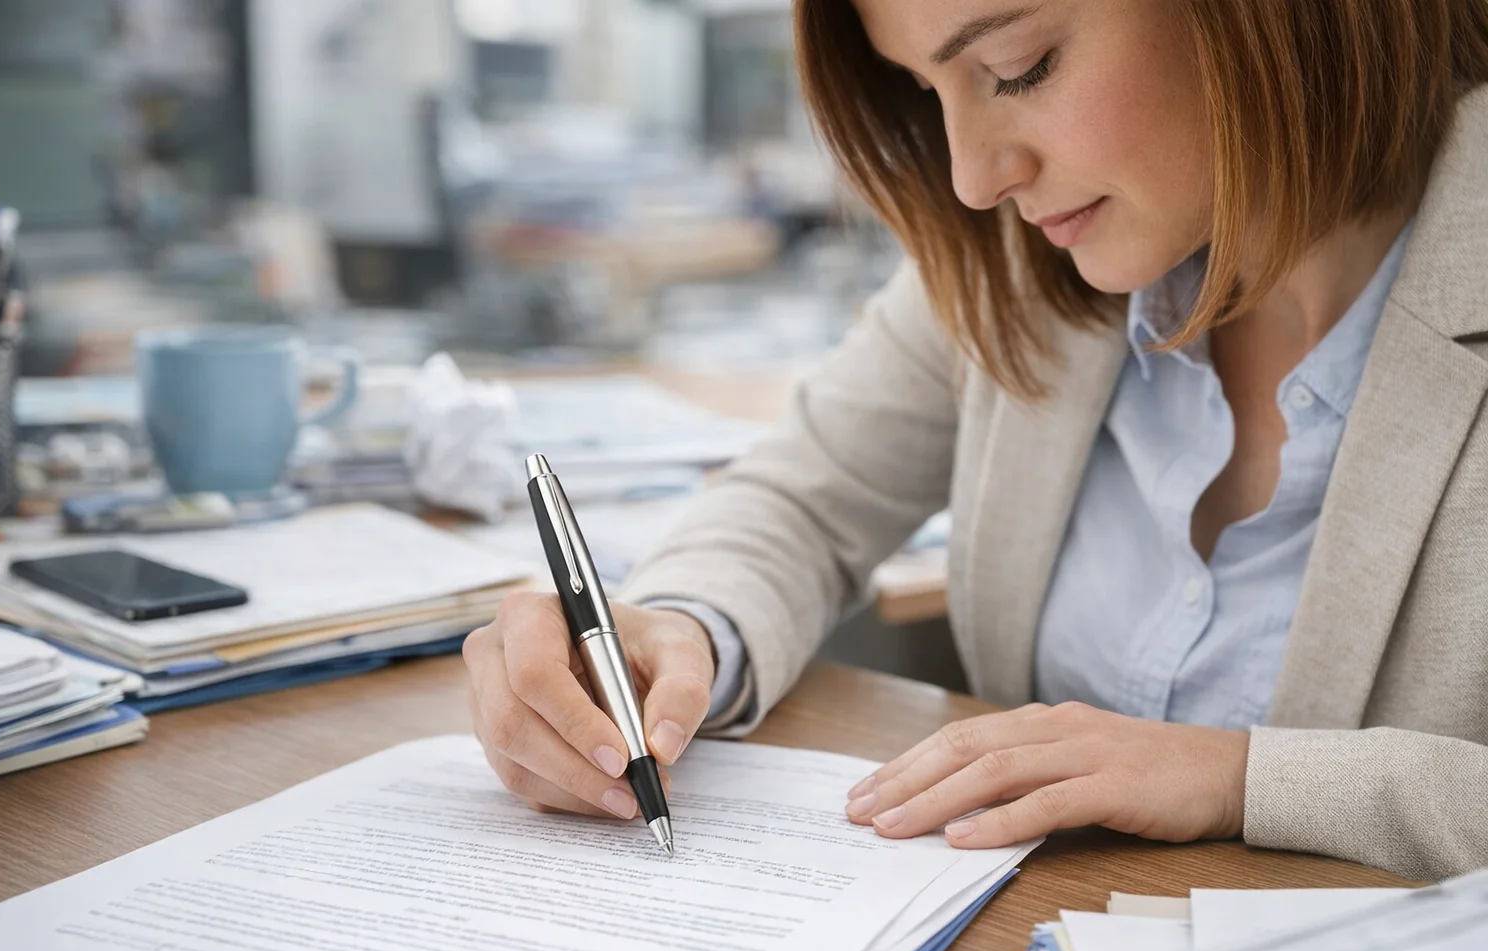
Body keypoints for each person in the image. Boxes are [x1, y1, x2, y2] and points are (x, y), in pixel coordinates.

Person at [462, 0, 1488, 881]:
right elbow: (804, 498)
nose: (971, 177)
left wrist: (1242, 778)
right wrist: (680, 635)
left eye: (1018, 68)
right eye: (924, 87)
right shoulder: (1022, 263)